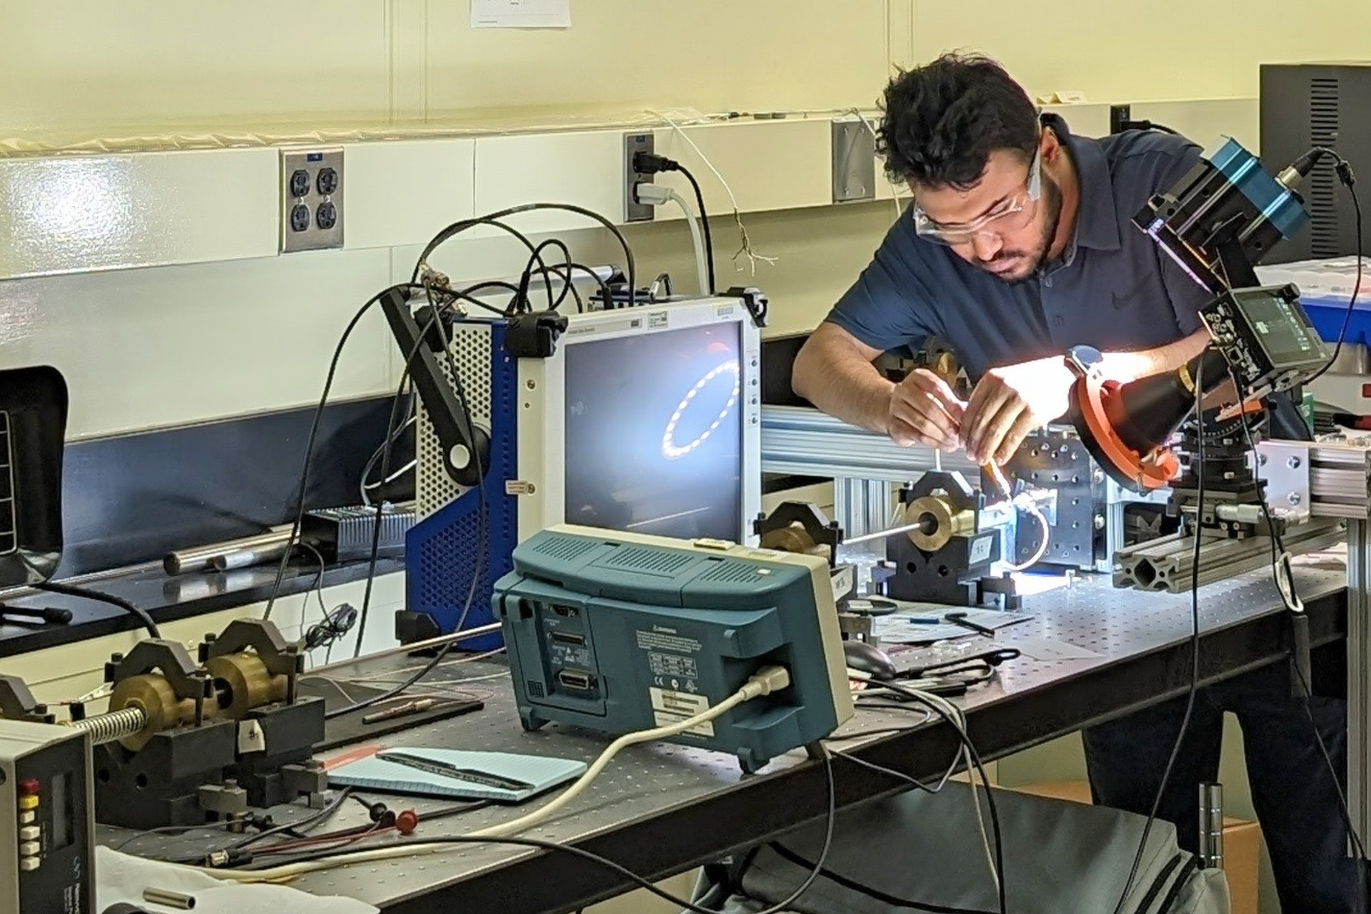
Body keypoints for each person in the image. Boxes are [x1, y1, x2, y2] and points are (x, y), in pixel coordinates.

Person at [791, 51, 1361, 913]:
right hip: (1115, 605)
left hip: (1279, 579)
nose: (982, 247)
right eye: (951, 228)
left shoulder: (1163, 185)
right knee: (1139, 867)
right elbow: (817, 360)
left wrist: (1075, 374)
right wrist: (887, 404)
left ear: (1047, 154)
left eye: (998, 210)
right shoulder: (931, 250)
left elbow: (1252, 331)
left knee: (1327, 869)